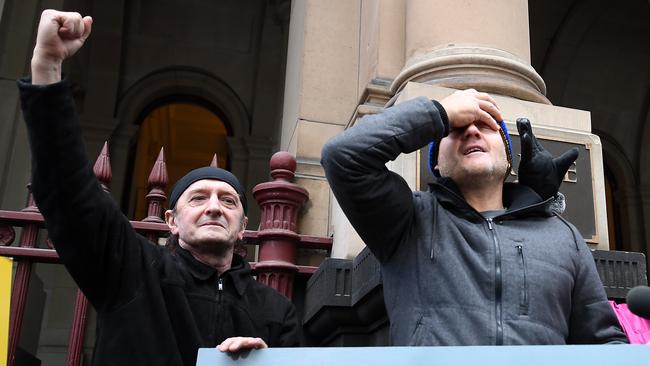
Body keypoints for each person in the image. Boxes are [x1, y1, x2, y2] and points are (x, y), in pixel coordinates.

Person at [19, 9, 299, 365]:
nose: (214, 206)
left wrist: (266, 362)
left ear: (244, 227)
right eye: (198, 198)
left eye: (228, 201)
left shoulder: (277, 311)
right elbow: (69, 191)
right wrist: (47, 65)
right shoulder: (133, 271)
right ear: (171, 221)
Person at [321, 89, 627, 345]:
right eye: (454, 130)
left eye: (487, 125)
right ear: (436, 165)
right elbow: (343, 157)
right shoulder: (408, 219)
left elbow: (602, 341)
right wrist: (440, 113)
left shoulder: (564, 236)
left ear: (509, 159)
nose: (470, 130)